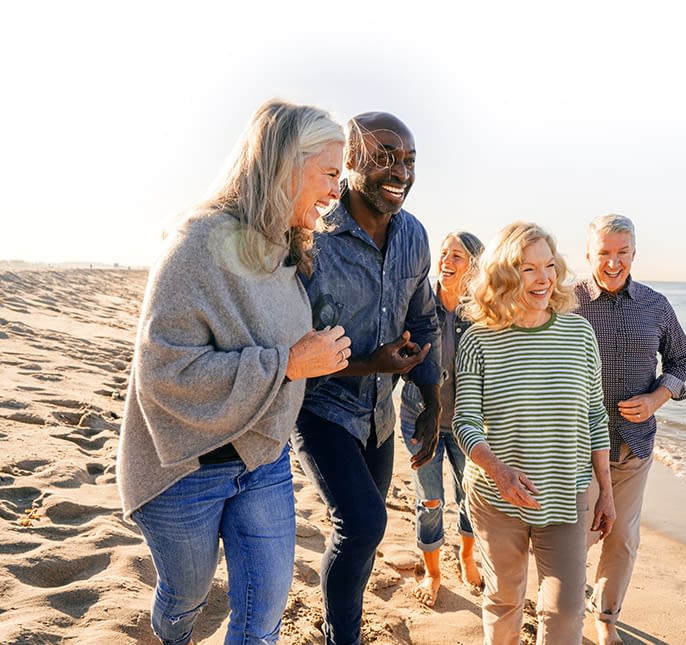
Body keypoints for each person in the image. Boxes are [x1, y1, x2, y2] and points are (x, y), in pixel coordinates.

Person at [117, 98, 353, 645]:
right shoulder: (196, 241)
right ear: (284, 165)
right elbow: (163, 370)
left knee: (263, 616)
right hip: (184, 469)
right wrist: (291, 363)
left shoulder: (287, 248)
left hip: (263, 458)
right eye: (329, 174)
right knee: (185, 598)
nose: (336, 192)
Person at [294, 111, 443, 644]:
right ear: (351, 161)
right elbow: (292, 348)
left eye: (408, 160)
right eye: (385, 156)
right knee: (361, 524)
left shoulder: (414, 236)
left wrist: (431, 399)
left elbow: (424, 319)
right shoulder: (315, 237)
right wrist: (367, 362)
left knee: (361, 532)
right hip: (320, 407)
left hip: (379, 417)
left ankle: (342, 625)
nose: (399, 170)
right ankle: (344, 637)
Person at [455, 221, 615, 645]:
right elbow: (465, 421)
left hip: (566, 493)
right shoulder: (478, 340)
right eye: (528, 269)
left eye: (548, 266)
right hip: (496, 497)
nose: (543, 278)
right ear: (505, 275)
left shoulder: (579, 333)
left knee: (565, 611)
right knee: (505, 599)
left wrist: (607, 492)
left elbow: (596, 418)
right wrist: (499, 471)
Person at [573, 214, 686, 644]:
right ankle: (567, 608)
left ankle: (604, 617)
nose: (612, 262)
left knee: (621, 538)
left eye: (622, 252)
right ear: (588, 254)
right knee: (577, 537)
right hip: (578, 447)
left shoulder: (655, 305)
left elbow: (681, 361)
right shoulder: (565, 303)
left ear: (634, 254)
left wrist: (658, 398)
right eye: (603, 252)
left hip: (635, 445)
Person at [399, 230, 486, 607]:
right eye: (444, 254)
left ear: (474, 267)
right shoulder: (419, 306)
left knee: (471, 496)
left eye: (457, 257)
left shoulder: (482, 313)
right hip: (420, 418)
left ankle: (466, 555)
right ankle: (433, 572)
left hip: (468, 424)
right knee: (430, 500)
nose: (446, 262)